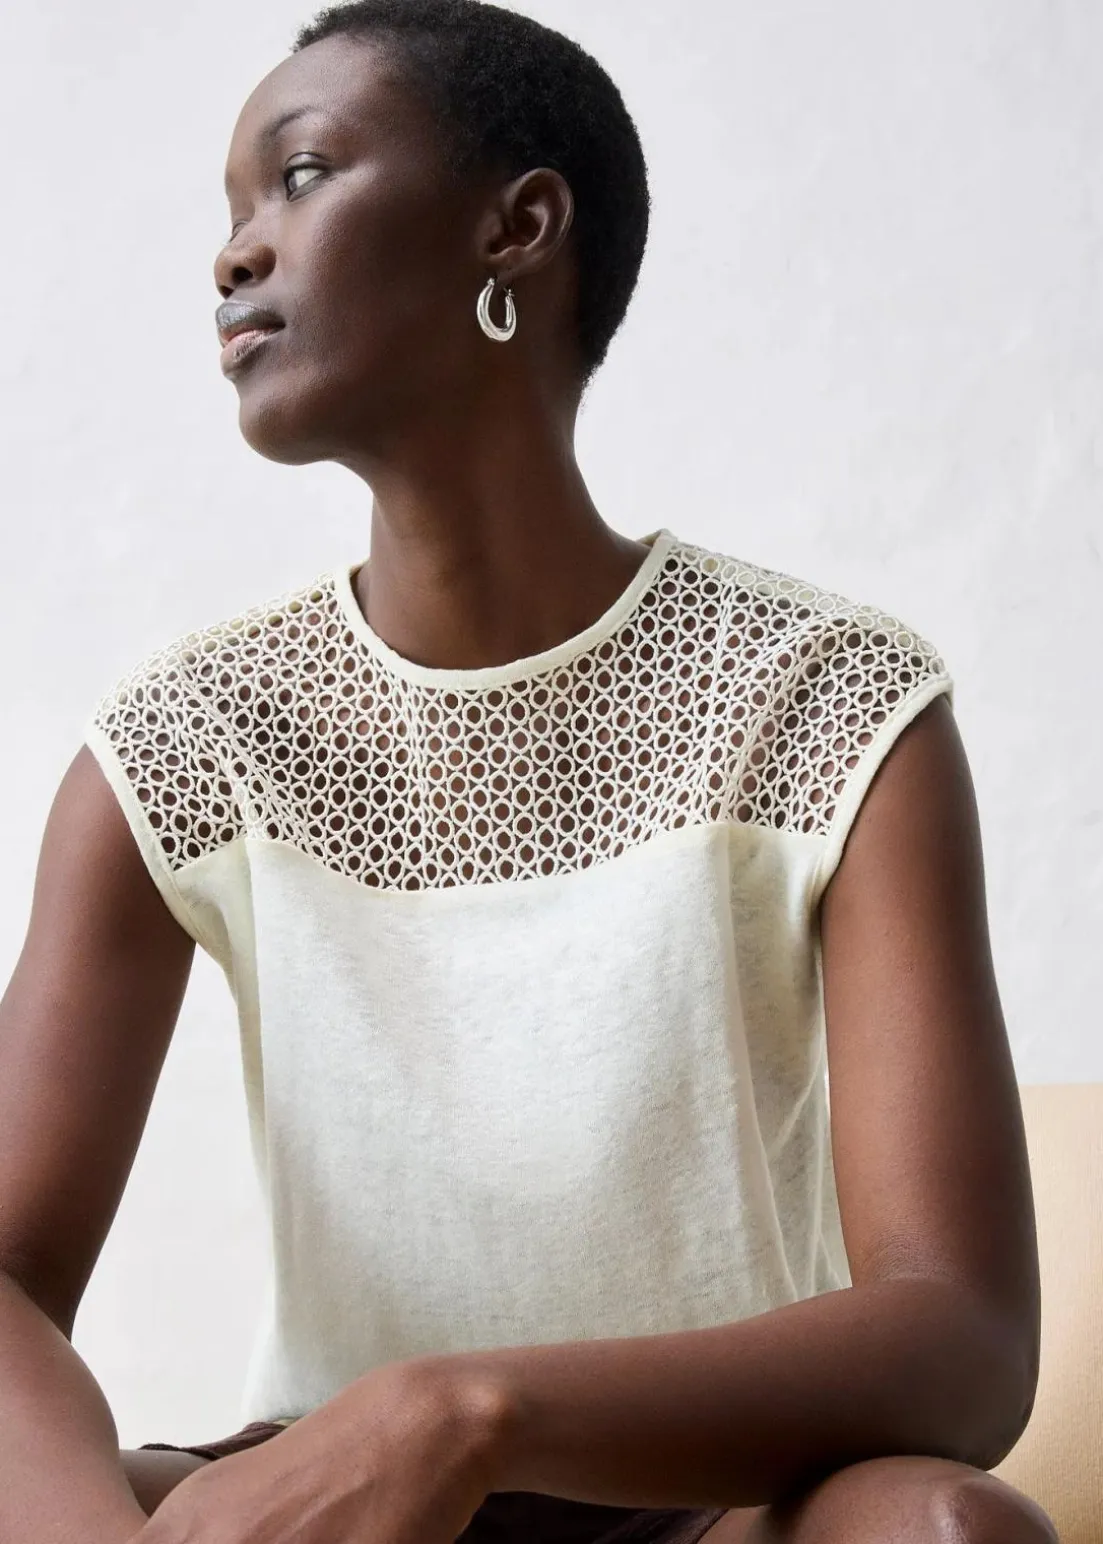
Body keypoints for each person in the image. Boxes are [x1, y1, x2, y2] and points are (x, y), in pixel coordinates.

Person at [0, 3, 1059, 1542]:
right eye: (229, 210)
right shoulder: (184, 745)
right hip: (328, 1509)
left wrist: (458, 1414)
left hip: (711, 1500)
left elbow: (962, 1341)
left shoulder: (823, 699)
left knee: (945, 1529)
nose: (235, 253)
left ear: (518, 227)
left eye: (301, 175)